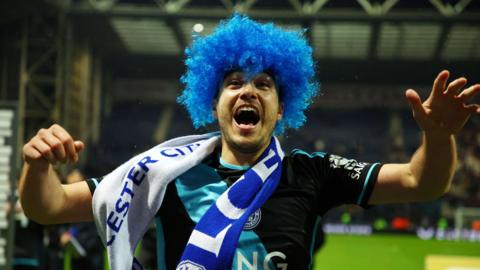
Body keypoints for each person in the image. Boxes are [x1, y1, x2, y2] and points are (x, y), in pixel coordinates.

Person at [18, 14, 480, 270]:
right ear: (214, 103)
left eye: (264, 84)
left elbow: (423, 181)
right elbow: (50, 207)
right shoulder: (163, 172)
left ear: (281, 108)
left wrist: (438, 137)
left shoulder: (311, 171)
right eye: (234, 82)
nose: (248, 91)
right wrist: (38, 166)